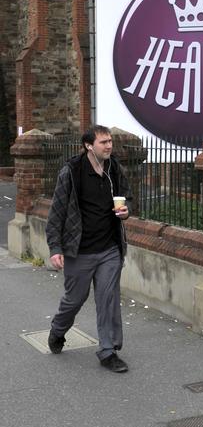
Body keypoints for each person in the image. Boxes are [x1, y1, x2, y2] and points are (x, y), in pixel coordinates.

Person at [46, 125, 131, 372]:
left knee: (108, 299)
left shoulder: (114, 168)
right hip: (79, 251)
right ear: (88, 146)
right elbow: (57, 214)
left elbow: (128, 197)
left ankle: (108, 351)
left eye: (110, 141)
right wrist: (55, 247)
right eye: (103, 142)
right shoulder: (72, 172)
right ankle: (58, 329)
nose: (109, 146)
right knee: (74, 299)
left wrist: (126, 211)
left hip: (109, 249)